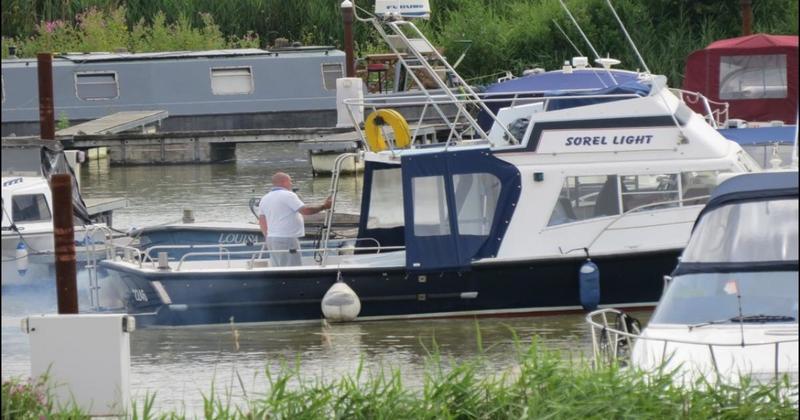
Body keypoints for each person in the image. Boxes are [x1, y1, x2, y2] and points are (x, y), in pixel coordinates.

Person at [258, 172, 332, 267]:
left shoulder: (265, 198)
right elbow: (305, 211)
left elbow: (262, 220)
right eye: (290, 181)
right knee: (292, 268)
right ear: (284, 182)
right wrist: (324, 206)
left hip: (272, 239)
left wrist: (268, 236)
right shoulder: (288, 195)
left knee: (278, 268)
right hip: (287, 239)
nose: (291, 184)